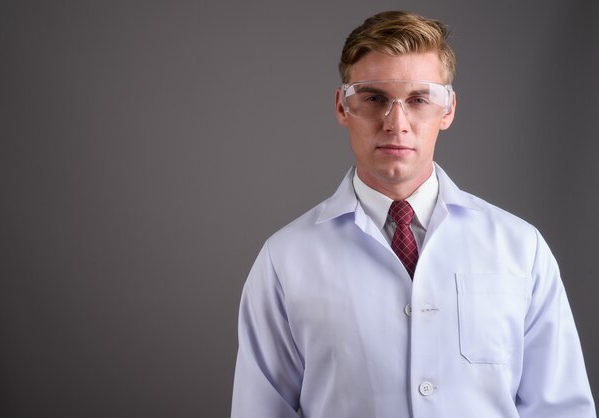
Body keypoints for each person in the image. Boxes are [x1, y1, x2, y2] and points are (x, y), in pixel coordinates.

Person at [231, 10, 596, 418]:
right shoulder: (285, 259)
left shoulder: (520, 248)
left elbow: (562, 409)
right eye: (373, 98)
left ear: (448, 109)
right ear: (342, 106)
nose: (396, 123)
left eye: (419, 99)